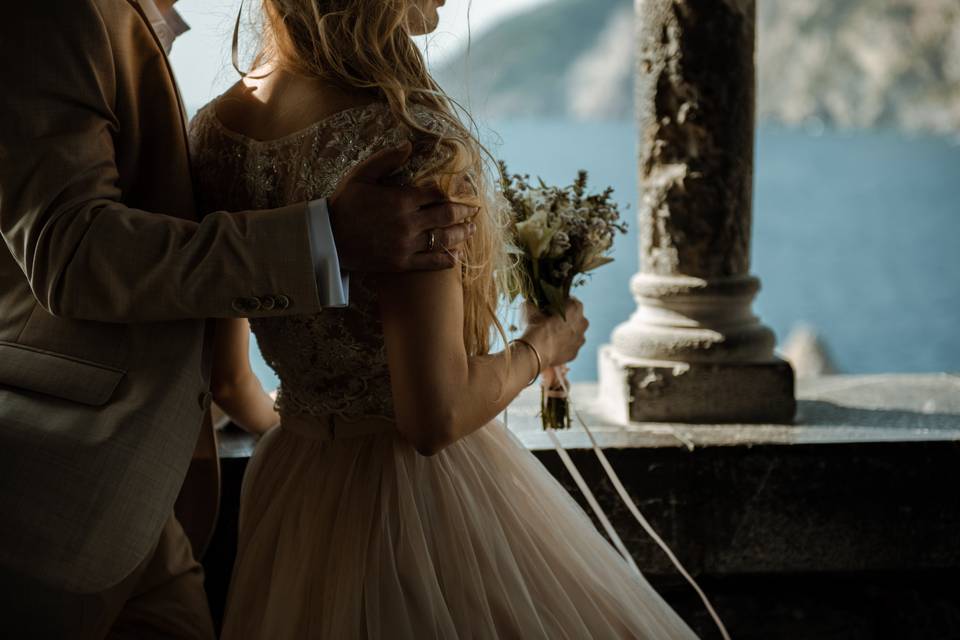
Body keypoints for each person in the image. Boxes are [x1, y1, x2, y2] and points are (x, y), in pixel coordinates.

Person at [192, 0, 700, 637]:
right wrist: (544, 343)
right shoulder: (407, 142)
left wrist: (317, 431)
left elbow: (228, 381)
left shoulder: (213, 132)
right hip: (421, 503)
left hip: (294, 489)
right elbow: (434, 417)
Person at [0, 0, 475, 637]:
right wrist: (323, 238)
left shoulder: (217, 118)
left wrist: (309, 421)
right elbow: (73, 254)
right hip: (63, 490)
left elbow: (225, 369)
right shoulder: (59, 13)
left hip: (161, 487)